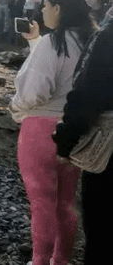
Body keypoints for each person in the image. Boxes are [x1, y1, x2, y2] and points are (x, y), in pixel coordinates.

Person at [10, 0, 95, 265]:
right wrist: (35, 41)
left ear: (58, 8)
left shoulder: (53, 42)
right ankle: (60, 260)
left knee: (41, 202)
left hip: (39, 132)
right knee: (66, 203)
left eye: (45, 6)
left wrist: (15, 107)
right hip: (75, 131)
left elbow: (36, 90)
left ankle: (39, 260)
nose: (42, 11)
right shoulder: (91, 43)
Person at [53, 19, 113, 264]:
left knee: (103, 235)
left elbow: (87, 94)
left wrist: (66, 141)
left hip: (109, 156)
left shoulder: (108, 36)